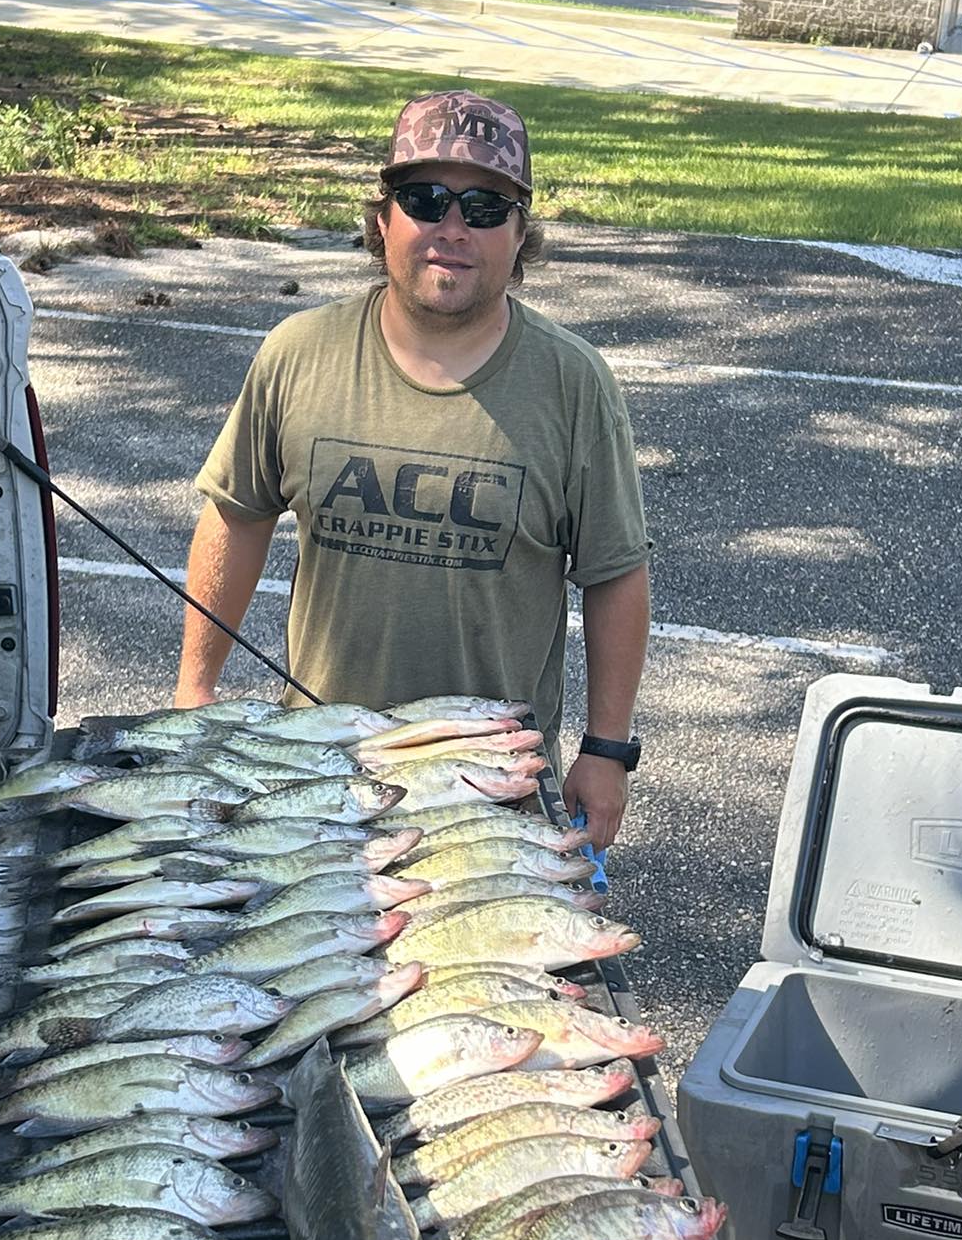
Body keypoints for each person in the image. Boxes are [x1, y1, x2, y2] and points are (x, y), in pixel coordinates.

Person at [174, 89, 651, 850]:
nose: (452, 228)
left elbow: (615, 571)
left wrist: (607, 749)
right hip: (318, 774)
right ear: (382, 219)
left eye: (485, 208)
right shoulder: (299, 353)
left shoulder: (573, 383)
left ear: (520, 234)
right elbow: (237, 515)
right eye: (425, 199)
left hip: (491, 788)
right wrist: (196, 688)